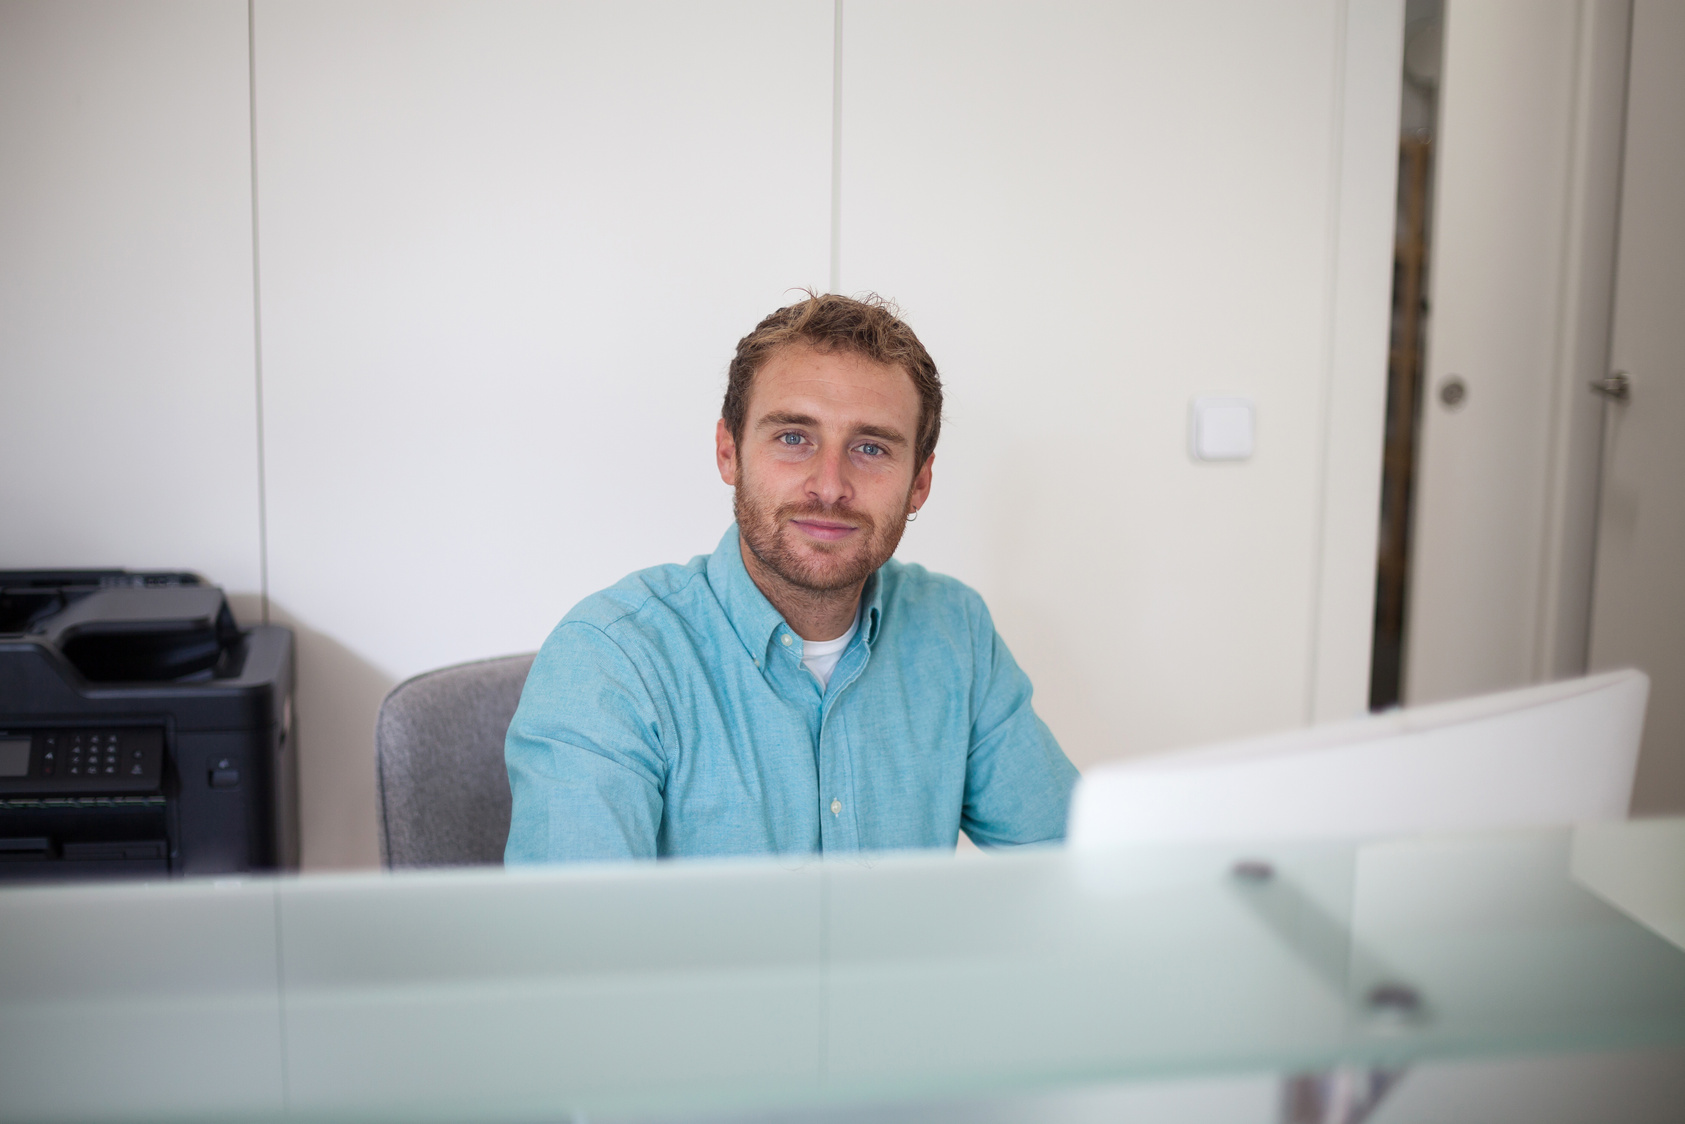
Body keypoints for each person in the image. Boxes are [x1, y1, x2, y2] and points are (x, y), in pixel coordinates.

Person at [504, 292, 1078, 862]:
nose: (829, 485)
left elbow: (1087, 872)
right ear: (729, 452)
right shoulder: (611, 660)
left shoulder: (956, 634)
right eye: (794, 438)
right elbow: (573, 948)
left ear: (920, 482)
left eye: (871, 447)